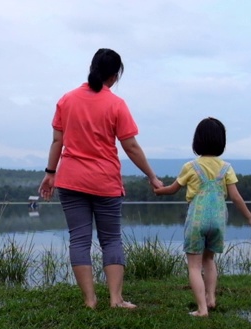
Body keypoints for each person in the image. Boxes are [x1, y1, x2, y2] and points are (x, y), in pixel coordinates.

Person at [38, 48, 163, 309]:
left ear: (92, 68)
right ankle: (116, 299)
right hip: (104, 181)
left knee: (79, 239)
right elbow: (131, 147)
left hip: (70, 180)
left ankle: (90, 300)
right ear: (115, 76)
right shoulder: (116, 104)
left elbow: (57, 141)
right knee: (111, 239)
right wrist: (151, 176)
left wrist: (50, 174)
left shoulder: (66, 100)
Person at [153, 117, 251, 317]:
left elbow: (173, 189)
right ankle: (211, 298)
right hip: (218, 220)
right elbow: (236, 197)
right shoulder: (226, 168)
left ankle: (202, 309)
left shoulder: (190, 167)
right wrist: (250, 218)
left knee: (194, 265)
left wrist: (159, 191)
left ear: (197, 141)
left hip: (197, 220)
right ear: (221, 142)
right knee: (209, 260)